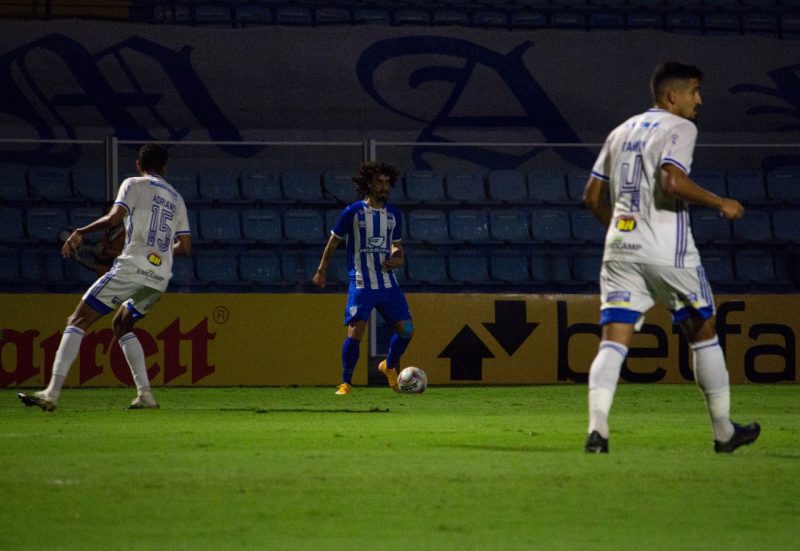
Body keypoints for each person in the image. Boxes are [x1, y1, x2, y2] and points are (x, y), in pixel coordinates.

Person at [581, 62, 760, 453]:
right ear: (671, 96)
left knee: (613, 341)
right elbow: (672, 181)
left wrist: (619, 228)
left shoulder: (620, 131)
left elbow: (591, 197)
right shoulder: (680, 128)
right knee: (704, 330)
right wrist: (721, 202)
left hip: (619, 249)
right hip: (668, 250)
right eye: (694, 91)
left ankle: (598, 431)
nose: (699, 100)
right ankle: (724, 432)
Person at [18, 143, 192, 411]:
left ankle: (51, 392)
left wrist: (81, 231)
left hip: (133, 268)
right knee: (122, 324)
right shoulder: (177, 198)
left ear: (138, 165)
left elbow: (114, 218)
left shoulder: (133, 184)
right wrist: (160, 251)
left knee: (77, 319)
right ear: (164, 167)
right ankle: (145, 395)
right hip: (159, 277)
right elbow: (186, 246)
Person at [313, 161, 414, 395]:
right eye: (379, 182)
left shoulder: (394, 215)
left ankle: (388, 366)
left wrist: (398, 257)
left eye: (387, 183)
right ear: (369, 183)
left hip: (388, 282)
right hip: (361, 281)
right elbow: (334, 241)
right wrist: (321, 270)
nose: (384, 187)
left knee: (407, 330)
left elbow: (397, 247)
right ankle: (346, 382)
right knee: (356, 330)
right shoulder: (353, 212)